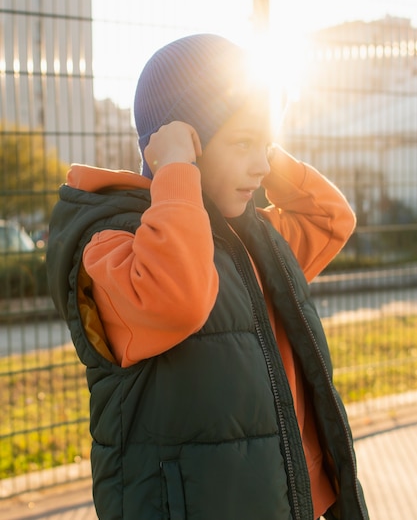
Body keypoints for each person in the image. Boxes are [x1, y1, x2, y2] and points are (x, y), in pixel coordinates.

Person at [47, 34, 369, 520]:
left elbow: (329, 218)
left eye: (266, 145)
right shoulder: (112, 245)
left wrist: (260, 147)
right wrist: (177, 169)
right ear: (184, 142)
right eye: (242, 144)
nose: (261, 165)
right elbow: (175, 299)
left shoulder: (252, 241)